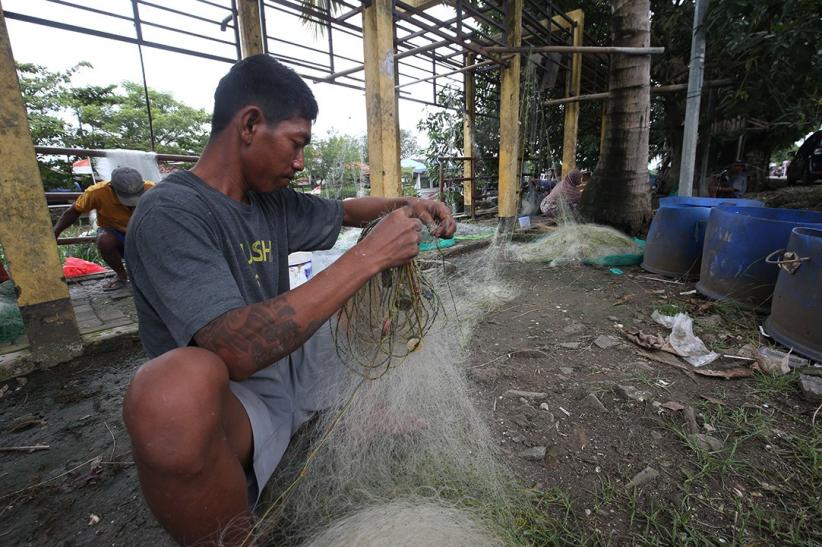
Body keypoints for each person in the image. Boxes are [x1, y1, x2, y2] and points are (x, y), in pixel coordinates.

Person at [121, 54, 456, 545]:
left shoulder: (269, 200)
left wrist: (406, 204)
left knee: (368, 304)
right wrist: (368, 257)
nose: (299, 162)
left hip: (286, 367)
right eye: (296, 143)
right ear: (250, 124)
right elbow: (233, 350)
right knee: (169, 392)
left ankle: (347, 416)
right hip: (238, 399)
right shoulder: (170, 213)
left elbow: (344, 211)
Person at [52, 167, 154, 290]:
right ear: (111, 188)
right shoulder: (96, 192)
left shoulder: (152, 188)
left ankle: (154, 272)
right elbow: (74, 211)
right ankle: (121, 275)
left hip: (143, 229)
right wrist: (55, 232)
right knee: (105, 241)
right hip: (115, 230)